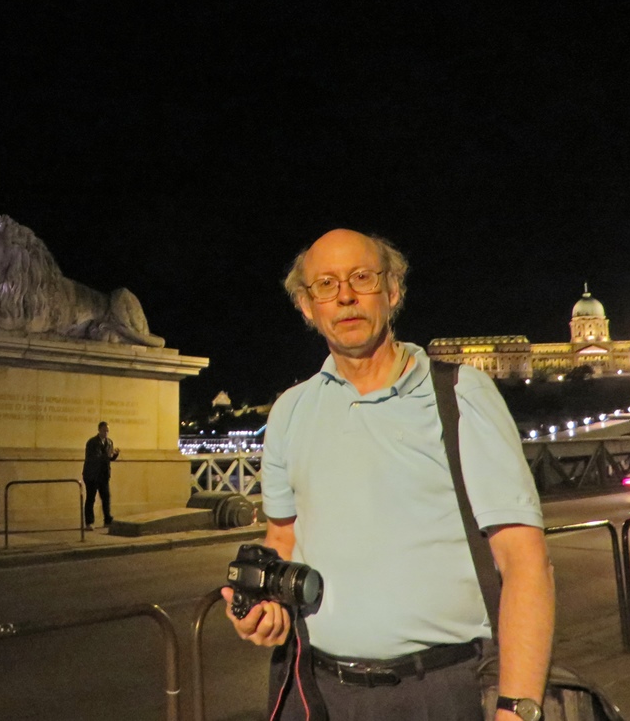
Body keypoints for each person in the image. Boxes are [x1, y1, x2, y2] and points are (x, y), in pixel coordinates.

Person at [221, 229, 555, 720]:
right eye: (326, 285)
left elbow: (525, 562)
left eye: (362, 277)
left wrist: (517, 708)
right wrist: (266, 604)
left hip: (437, 692)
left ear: (393, 291)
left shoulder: (461, 396)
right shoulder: (290, 412)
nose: (346, 296)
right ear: (306, 306)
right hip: (316, 691)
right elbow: (282, 538)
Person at [82, 421, 119, 530]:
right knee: (91, 498)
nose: (106, 433)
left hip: (103, 475)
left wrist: (115, 455)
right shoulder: (92, 442)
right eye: (104, 430)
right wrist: (107, 455)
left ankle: (107, 519)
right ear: (99, 430)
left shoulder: (109, 442)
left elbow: (109, 458)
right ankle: (89, 522)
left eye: (107, 431)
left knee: (106, 497)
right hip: (92, 475)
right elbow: (95, 458)